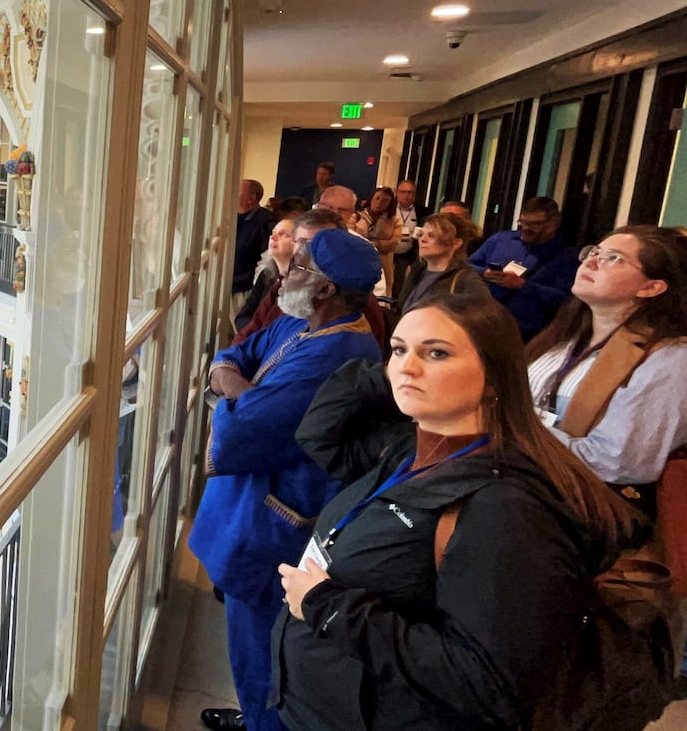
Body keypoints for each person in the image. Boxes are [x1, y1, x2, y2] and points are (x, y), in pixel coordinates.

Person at [273, 293, 643, 731]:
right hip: (321, 706)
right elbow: (319, 435)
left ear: (494, 378)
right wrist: (391, 377)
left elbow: (490, 683)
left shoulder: (505, 508)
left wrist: (328, 609)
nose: (408, 365)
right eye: (398, 349)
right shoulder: (414, 447)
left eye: (436, 353)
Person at [191, 228, 386, 731]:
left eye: (297, 266)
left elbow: (237, 434)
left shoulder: (334, 353)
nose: (283, 272)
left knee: (263, 649)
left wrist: (238, 397)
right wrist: (244, 389)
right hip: (257, 509)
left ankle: (261, 722)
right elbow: (231, 355)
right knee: (251, 646)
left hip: (273, 524)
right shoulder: (303, 326)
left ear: (324, 288)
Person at [526, 225, 687, 497]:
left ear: (651, 287)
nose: (590, 261)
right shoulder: (567, 334)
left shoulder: (670, 359)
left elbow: (618, 462)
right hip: (521, 477)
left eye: (612, 258)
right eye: (594, 251)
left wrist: (517, 432)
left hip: (576, 502)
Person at [232, 209, 388, 351]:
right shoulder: (284, 284)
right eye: (302, 243)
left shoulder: (355, 302)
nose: (307, 253)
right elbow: (248, 336)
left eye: (316, 246)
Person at [467, 196, 580, 340]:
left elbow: (565, 299)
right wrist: (486, 273)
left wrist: (522, 285)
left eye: (535, 224)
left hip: (526, 332)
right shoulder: (501, 240)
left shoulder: (566, 256)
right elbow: (467, 266)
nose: (526, 228)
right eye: (523, 222)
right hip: (483, 320)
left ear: (553, 223)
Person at [392, 213, 490, 317]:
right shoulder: (417, 272)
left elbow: (486, 320)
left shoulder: (467, 280)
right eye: (421, 234)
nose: (422, 239)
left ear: (456, 243)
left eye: (432, 235)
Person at [234, 218, 294, 333]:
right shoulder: (266, 274)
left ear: (298, 243)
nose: (273, 237)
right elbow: (242, 316)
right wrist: (256, 334)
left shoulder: (301, 281)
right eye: (273, 232)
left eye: (282, 234)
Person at [233, 179, 277, 312]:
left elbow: (267, 259)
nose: (232, 194)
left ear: (251, 198)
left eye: (237, 192)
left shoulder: (265, 222)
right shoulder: (233, 217)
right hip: (230, 285)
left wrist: (254, 290)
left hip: (243, 290)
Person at [361, 186, 402, 294]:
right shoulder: (357, 217)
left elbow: (395, 242)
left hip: (383, 264)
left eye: (385, 200)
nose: (379, 203)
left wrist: (377, 244)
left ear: (390, 203)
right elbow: (350, 236)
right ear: (371, 199)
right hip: (361, 261)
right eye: (377, 198)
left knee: (382, 294)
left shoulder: (394, 221)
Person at [391, 179, 426, 277]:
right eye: (403, 192)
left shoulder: (422, 212)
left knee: (400, 282)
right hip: (388, 253)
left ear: (414, 195)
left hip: (407, 255)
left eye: (410, 192)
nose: (406, 195)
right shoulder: (389, 209)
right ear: (397, 193)